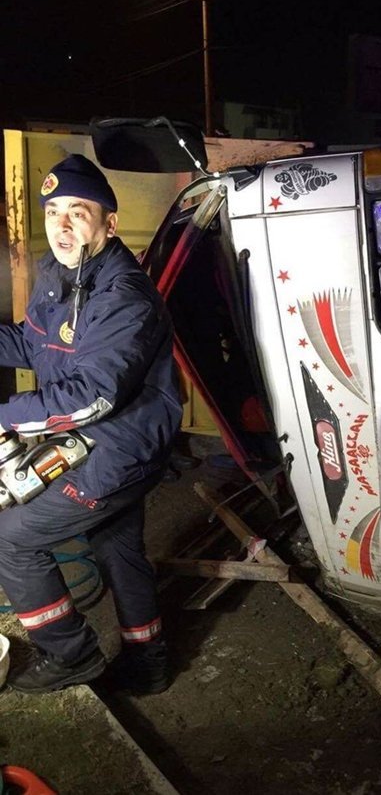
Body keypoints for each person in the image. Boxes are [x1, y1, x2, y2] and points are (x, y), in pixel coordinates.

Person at [0, 154, 183, 694]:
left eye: (77, 212)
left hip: (116, 448)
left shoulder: (123, 295)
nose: (61, 225)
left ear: (110, 223)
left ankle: (72, 653)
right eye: (53, 210)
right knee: (118, 545)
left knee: (11, 540)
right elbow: (33, 342)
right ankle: (149, 661)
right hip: (120, 444)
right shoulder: (60, 272)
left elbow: (91, 398)